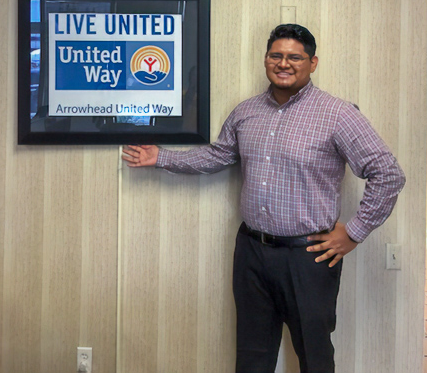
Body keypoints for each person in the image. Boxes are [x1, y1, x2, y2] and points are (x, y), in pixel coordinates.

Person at [122, 24, 405, 373]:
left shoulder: (338, 114)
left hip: (309, 258)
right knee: (253, 356)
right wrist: (161, 157)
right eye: (276, 55)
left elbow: (388, 174)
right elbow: (218, 156)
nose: (284, 63)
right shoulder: (246, 112)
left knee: (314, 354)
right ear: (266, 59)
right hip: (252, 253)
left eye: (294, 57)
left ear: (312, 63)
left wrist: (354, 232)